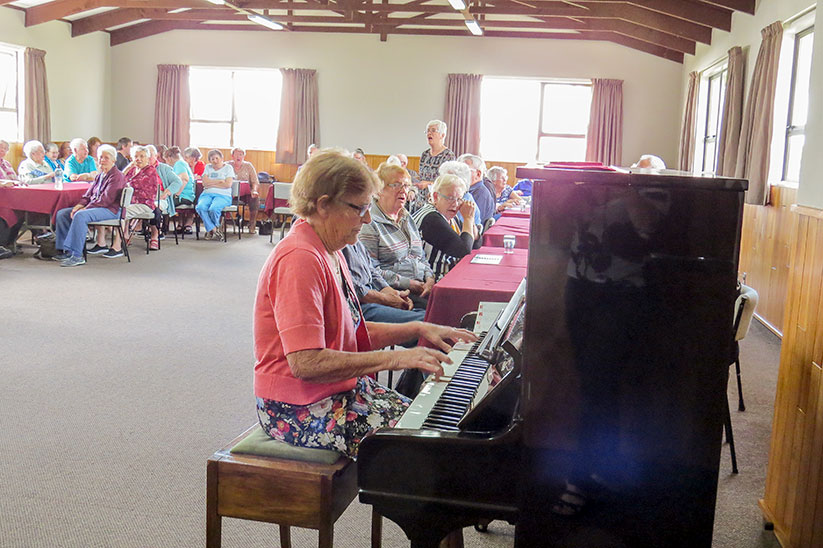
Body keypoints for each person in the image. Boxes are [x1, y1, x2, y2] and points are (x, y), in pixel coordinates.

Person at [254, 149, 476, 458]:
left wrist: (420, 327)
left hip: (333, 390)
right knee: (424, 450)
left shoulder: (328, 248)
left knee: (433, 426)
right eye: (360, 209)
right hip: (296, 406)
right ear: (323, 206)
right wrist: (397, 359)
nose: (368, 218)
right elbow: (305, 363)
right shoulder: (300, 259)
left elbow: (352, 332)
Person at [360, 163, 435, 309]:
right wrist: (409, 284)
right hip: (395, 291)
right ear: (379, 190)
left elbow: (421, 257)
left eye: (406, 186)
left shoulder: (406, 217)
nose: (403, 191)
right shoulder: (370, 223)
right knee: (436, 316)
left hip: (421, 286)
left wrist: (430, 278)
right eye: (396, 185)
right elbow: (371, 270)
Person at [52, 145, 125, 267]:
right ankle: (65, 250)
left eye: (106, 158)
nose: (102, 160)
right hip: (98, 207)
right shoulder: (100, 175)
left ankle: (77, 255)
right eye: (101, 157)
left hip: (111, 210)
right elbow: (88, 195)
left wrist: (85, 209)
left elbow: (106, 200)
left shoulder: (116, 176)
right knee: (62, 214)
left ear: (113, 160)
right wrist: (78, 206)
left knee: (81, 216)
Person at [341, 239, 425, 325]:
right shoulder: (335, 244)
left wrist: (394, 294)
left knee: (429, 316)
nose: (367, 224)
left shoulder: (354, 238)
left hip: (375, 297)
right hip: (356, 308)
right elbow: (350, 286)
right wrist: (386, 299)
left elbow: (372, 271)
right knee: (427, 322)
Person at [411, 174, 477, 280]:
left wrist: (470, 219)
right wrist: (468, 219)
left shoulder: (448, 215)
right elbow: (463, 251)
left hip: (448, 273)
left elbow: (476, 243)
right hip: (431, 279)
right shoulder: (431, 219)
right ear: (436, 196)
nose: (455, 204)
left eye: (459, 199)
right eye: (450, 198)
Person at [101, 144, 162, 256]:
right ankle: (105, 242)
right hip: (129, 202)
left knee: (121, 213)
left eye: (142, 156)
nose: (138, 159)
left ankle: (117, 246)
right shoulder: (132, 170)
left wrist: (124, 184)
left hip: (145, 204)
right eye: (136, 156)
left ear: (148, 158)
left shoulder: (150, 171)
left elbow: (131, 185)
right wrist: (128, 167)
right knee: (108, 208)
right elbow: (118, 179)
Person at [409, 120, 456, 213]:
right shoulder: (425, 154)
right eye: (428, 131)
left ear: (442, 135)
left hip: (437, 202)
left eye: (433, 130)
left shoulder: (448, 156)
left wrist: (428, 184)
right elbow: (421, 176)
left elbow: (448, 182)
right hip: (420, 200)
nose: (429, 133)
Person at [195, 149, 235, 241]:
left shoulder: (228, 168)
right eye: (212, 159)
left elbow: (228, 184)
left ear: (222, 158)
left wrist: (211, 183)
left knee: (213, 209)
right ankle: (214, 229)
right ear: (210, 160)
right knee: (200, 207)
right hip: (207, 194)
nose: (215, 161)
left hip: (223, 195)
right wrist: (220, 181)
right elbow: (205, 183)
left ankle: (210, 229)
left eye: (217, 158)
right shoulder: (208, 167)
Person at [164, 146, 196, 234]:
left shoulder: (178, 164)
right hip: (188, 196)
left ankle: (162, 228)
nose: (166, 162)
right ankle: (165, 227)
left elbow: (184, 179)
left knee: (162, 203)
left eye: (166, 160)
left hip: (183, 196)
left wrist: (177, 195)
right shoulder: (183, 163)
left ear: (169, 158)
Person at [229, 147, 260, 234]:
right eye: (236, 154)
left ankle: (252, 223)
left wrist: (254, 190)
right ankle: (219, 223)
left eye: (241, 154)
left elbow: (255, 181)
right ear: (232, 156)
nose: (238, 157)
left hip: (244, 193)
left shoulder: (248, 166)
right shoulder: (227, 165)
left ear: (244, 156)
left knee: (255, 198)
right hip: (229, 193)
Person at [458, 153, 495, 224]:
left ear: (478, 173)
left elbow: (473, 222)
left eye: (465, 170)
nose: (459, 174)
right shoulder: (466, 190)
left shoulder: (481, 193)